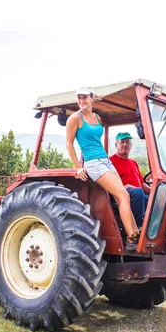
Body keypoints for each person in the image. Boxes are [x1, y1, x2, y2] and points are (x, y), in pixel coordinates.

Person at [65, 87, 140, 251]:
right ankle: (132, 239)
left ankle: (136, 233)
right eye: (79, 98)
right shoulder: (74, 118)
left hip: (106, 160)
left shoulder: (97, 117)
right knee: (123, 195)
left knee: (124, 195)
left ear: (93, 98)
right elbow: (69, 144)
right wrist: (78, 167)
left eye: (85, 97)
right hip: (93, 163)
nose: (82, 101)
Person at [109, 132, 150, 228]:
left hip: (138, 194)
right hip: (122, 194)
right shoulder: (110, 162)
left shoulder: (133, 163)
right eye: (122, 142)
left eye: (127, 142)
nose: (125, 144)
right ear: (116, 145)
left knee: (156, 198)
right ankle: (137, 228)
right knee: (138, 192)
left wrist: (154, 191)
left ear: (131, 145)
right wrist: (124, 187)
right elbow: (107, 183)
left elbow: (142, 184)